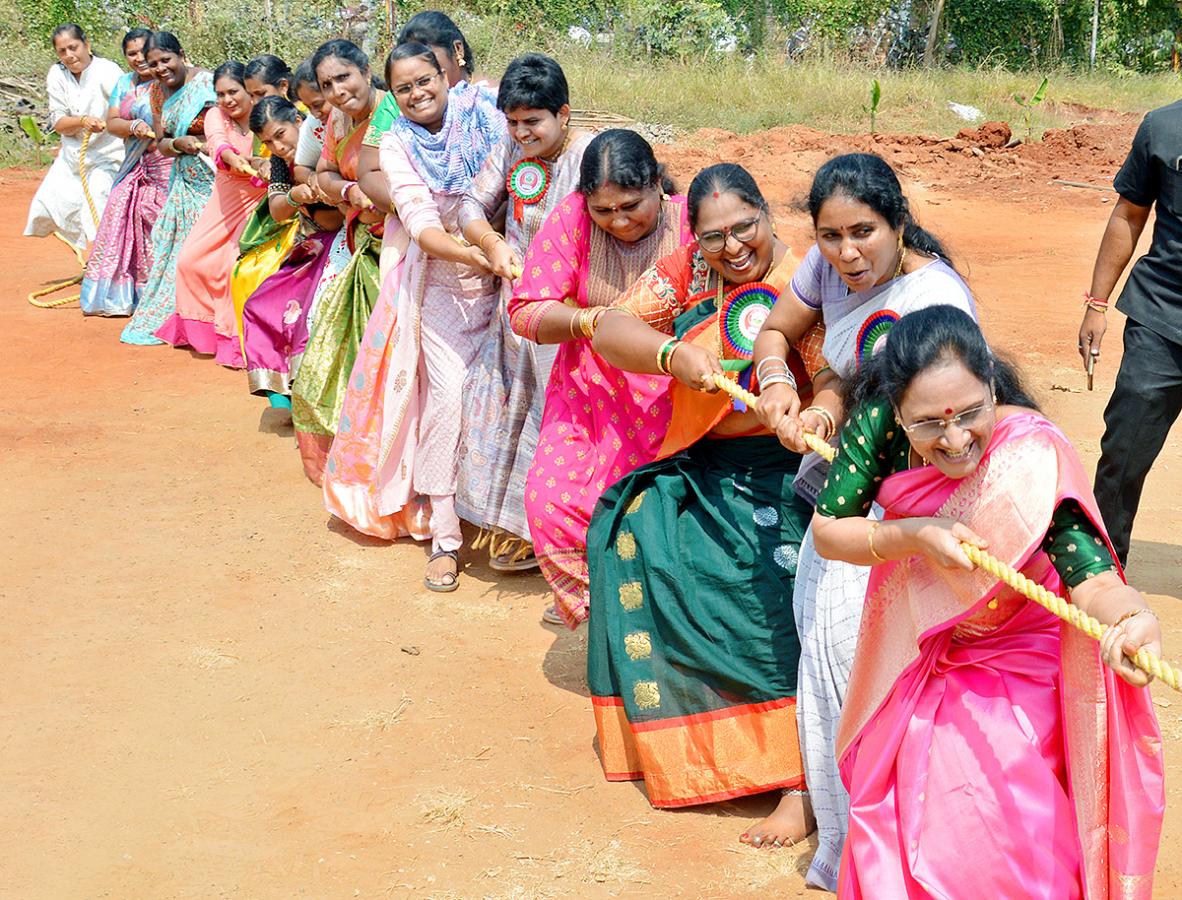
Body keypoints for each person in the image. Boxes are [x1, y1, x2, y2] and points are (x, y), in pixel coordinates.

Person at [811, 304, 1164, 896]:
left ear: (992, 389)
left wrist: (1133, 618)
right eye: (928, 424)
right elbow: (828, 529)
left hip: (1026, 651)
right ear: (897, 410)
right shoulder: (877, 425)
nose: (954, 440)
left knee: (1000, 791)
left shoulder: (1030, 455)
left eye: (970, 413)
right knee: (906, 787)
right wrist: (915, 536)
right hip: (921, 643)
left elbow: (1093, 578)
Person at [751, 152, 976, 883]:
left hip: (902, 508)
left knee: (869, 675)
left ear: (900, 223)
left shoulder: (934, 300)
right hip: (840, 493)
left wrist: (825, 409)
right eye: (830, 236)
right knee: (827, 660)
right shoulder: (829, 270)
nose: (848, 254)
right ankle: (854, 850)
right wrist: (782, 382)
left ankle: (904, 855)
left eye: (864, 233)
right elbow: (777, 330)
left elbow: (919, 425)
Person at [585, 164, 826, 840]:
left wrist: (813, 416)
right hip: (707, 460)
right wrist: (669, 355)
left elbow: (834, 374)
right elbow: (609, 329)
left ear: (767, 214)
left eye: (743, 228)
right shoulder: (689, 272)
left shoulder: (803, 278)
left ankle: (800, 780)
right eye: (713, 236)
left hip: (790, 470)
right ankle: (697, 747)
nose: (731, 248)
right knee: (629, 529)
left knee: (768, 597)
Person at [320, 41, 506, 591]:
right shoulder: (398, 145)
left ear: (445, 75)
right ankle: (446, 539)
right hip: (446, 283)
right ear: (393, 96)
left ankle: (509, 525)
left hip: (512, 276)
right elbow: (422, 222)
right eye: (404, 88)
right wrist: (478, 252)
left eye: (426, 80)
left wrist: (503, 251)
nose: (418, 93)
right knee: (447, 402)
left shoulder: (486, 117)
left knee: (511, 396)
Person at [508, 129, 688, 626]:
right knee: (549, 502)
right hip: (591, 392)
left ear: (658, 185)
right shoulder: (572, 219)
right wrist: (586, 321)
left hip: (674, 398)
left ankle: (653, 631)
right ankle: (605, 614)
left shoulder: (692, 221)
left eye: (632, 205)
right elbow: (525, 312)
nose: (620, 221)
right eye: (603, 210)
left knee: (653, 521)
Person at [455, 52, 591, 572]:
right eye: (512, 122)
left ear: (564, 113)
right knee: (499, 413)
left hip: (567, 321)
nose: (522, 133)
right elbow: (469, 205)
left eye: (533, 122)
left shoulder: (586, 159)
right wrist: (491, 242)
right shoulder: (509, 150)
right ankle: (516, 531)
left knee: (559, 425)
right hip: (514, 319)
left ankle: (564, 547)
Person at [1078, 98, 1182, 569]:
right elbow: (1128, 214)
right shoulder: (1163, 126)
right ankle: (1097, 574)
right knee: (1123, 452)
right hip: (1161, 317)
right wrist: (1097, 304)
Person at [290, 39, 388, 483]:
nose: (337, 91)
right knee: (331, 357)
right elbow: (323, 173)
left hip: (401, 250)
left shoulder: (394, 111)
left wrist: (379, 198)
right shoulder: (336, 120)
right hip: (360, 243)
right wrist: (350, 191)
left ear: (366, 72)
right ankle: (352, 458)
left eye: (344, 77)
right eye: (327, 84)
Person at [155, 60, 269, 366]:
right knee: (189, 260)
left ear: (249, 91)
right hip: (225, 197)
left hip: (261, 201)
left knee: (233, 266)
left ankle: (237, 340)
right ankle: (201, 334)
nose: (227, 100)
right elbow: (218, 144)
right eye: (220, 94)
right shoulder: (216, 116)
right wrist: (236, 159)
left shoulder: (264, 115)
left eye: (233, 92)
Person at [356, 10, 481, 280]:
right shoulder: (396, 107)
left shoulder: (487, 100)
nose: (417, 89)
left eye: (426, 70)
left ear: (456, 50)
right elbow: (368, 172)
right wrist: (428, 210)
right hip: (419, 234)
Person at [239, 96, 344, 404]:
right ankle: (283, 395)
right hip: (309, 246)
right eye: (268, 142)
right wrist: (297, 196)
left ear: (299, 122)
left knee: (311, 313)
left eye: (280, 135)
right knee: (261, 305)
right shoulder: (281, 164)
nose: (277, 147)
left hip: (341, 243)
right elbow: (277, 210)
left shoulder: (328, 146)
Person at [120, 32, 216, 346]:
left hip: (216, 180)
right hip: (185, 183)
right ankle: (188, 320)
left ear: (181, 54)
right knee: (179, 253)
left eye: (166, 60)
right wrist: (178, 143)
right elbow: (161, 143)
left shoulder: (209, 83)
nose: (161, 68)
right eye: (153, 63)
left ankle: (216, 318)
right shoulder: (158, 93)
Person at [80, 27, 173, 317]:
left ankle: (166, 293)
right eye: (131, 53)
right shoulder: (125, 83)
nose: (138, 58)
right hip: (135, 166)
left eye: (143, 51)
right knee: (120, 210)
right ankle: (124, 294)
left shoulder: (170, 82)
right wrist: (134, 127)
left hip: (168, 167)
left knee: (159, 221)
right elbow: (112, 122)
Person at [24, 24, 124, 251]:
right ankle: (100, 259)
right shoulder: (57, 74)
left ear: (86, 45)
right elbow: (59, 123)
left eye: (73, 47)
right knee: (47, 203)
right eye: (62, 51)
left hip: (109, 154)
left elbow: (125, 108)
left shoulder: (107, 70)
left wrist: (108, 123)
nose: (69, 55)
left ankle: (106, 262)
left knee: (97, 203)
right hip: (73, 156)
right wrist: (83, 121)